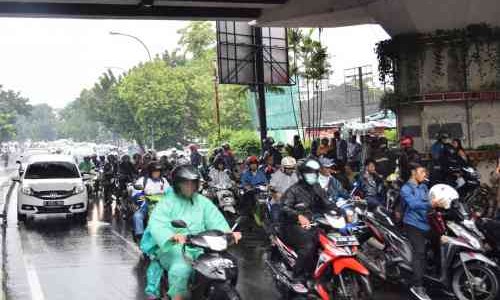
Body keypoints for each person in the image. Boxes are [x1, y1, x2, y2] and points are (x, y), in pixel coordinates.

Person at [142, 164, 242, 300]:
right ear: (177, 184)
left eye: (192, 183)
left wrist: (228, 234)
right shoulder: (167, 203)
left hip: (202, 246)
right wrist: (171, 236)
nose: (189, 186)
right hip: (175, 248)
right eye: (185, 183)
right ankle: (178, 297)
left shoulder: (203, 202)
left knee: (226, 262)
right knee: (181, 269)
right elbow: (157, 224)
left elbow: (215, 220)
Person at [280, 158, 337, 285]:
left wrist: (341, 212)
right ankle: (298, 275)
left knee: (330, 241)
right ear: (301, 175)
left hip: (311, 222)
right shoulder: (293, 190)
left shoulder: (316, 187)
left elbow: (326, 202)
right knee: (308, 246)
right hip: (291, 224)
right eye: (309, 173)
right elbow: (284, 207)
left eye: (314, 172)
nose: (313, 175)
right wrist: (298, 216)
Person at [400, 163, 443, 300]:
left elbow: (431, 202)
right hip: (412, 224)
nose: (425, 174)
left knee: (441, 241)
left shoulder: (424, 186)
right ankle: (417, 286)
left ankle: (436, 273)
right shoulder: (406, 189)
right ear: (414, 173)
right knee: (420, 252)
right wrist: (430, 204)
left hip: (425, 224)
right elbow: (413, 204)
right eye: (422, 172)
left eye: (425, 172)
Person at [132, 162, 169, 242]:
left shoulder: (163, 181)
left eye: (158, 171)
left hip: (162, 205)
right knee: (137, 216)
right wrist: (141, 198)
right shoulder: (143, 180)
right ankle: (140, 236)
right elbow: (136, 193)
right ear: (150, 172)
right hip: (147, 204)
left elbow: (169, 192)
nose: (156, 173)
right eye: (154, 171)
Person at [240, 156, 268, 227]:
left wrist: (267, 186)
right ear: (249, 165)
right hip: (251, 193)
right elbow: (244, 184)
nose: (253, 165)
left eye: (255, 164)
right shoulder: (245, 174)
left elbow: (266, 182)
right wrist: (249, 187)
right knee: (248, 203)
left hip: (261, 192)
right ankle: (248, 216)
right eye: (251, 164)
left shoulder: (261, 173)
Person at [269, 157, 298, 223]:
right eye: (288, 168)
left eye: (292, 168)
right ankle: (274, 232)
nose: (291, 170)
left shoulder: (295, 176)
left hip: (292, 204)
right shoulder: (277, 175)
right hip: (278, 203)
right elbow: (271, 188)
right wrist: (276, 195)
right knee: (275, 218)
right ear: (283, 167)